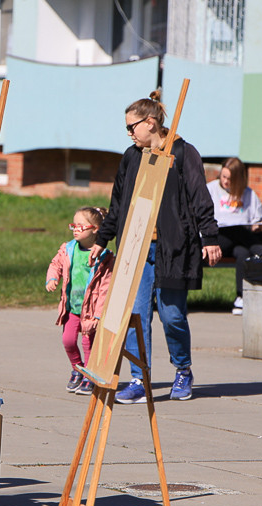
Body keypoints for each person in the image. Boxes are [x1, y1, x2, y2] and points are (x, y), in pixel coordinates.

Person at [89, 90, 221, 404]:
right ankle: (139, 378)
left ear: (150, 122)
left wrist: (210, 236)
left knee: (172, 316)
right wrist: (102, 238)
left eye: (132, 127)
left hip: (173, 249)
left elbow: (199, 196)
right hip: (136, 250)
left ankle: (183, 370)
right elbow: (118, 202)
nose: (129, 133)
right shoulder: (131, 156)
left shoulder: (182, 152)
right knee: (135, 316)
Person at [46, 206, 107, 397]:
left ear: (95, 229)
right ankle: (77, 369)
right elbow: (55, 264)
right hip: (72, 307)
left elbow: (105, 288)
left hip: (90, 310)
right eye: (74, 225)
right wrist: (52, 278)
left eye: (80, 226)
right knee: (68, 341)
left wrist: (99, 314)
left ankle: (89, 375)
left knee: (88, 344)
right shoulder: (68, 249)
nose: (75, 229)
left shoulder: (103, 256)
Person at [206, 157, 262, 315]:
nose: (225, 181)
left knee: (243, 252)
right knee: (235, 231)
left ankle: (241, 298)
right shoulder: (211, 189)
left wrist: (259, 226)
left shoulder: (248, 194)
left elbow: (257, 219)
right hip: (216, 242)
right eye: (223, 176)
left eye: (230, 179)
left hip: (240, 243)